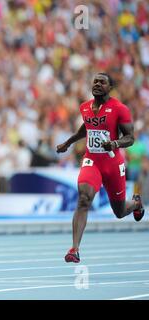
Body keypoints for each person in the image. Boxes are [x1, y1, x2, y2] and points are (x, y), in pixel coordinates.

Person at [56, 73, 145, 263]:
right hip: (92, 161)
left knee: (119, 212)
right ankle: (74, 249)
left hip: (113, 164)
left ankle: (136, 203)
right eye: (95, 81)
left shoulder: (120, 109)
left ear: (110, 87)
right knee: (83, 199)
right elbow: (86, 128)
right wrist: (68, 143)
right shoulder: (85, 107)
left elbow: (130, 138)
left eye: (102, 82)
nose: (97, 84)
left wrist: (114, 144)